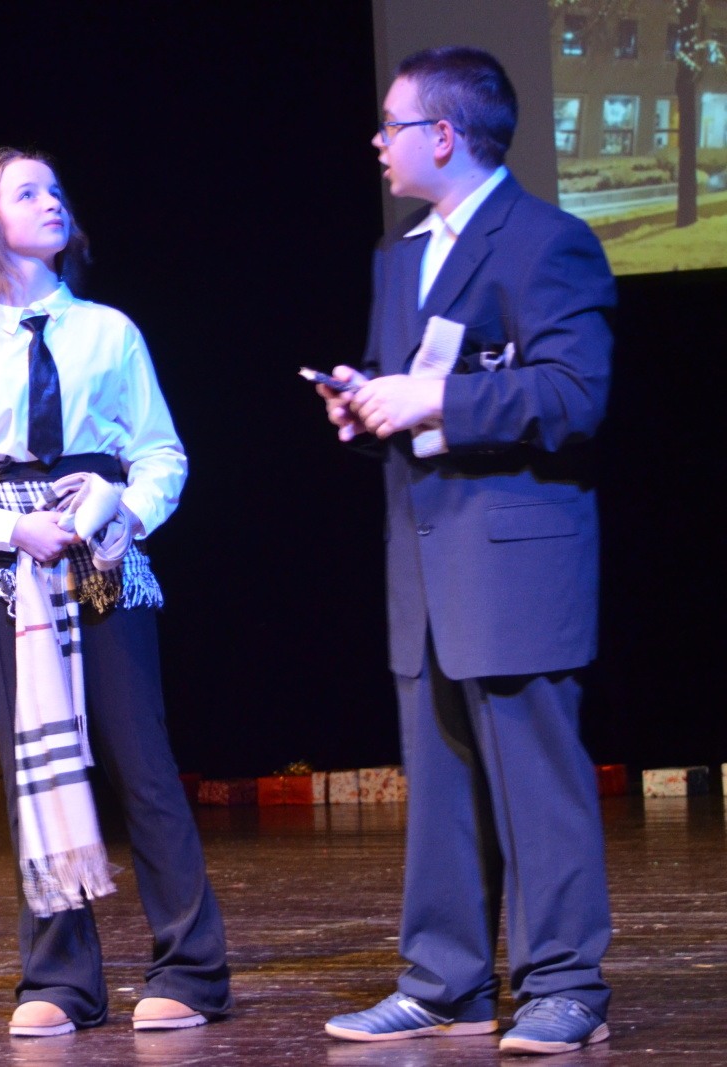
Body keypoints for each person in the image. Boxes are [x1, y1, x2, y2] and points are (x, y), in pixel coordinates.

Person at [316, 47, 615, 1056]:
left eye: (392, 125)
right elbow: (408, 396)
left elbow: (574, 395)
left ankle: (565, 984)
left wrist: (433, 396)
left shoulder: (547, 241)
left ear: (442, 136)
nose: (378, 142)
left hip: (517, 558)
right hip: (424, 558)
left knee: (538, 783)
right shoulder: (398, 256)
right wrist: (367, 406)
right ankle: (443, 980)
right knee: (439, 784)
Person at [0, 148, 232, 1038]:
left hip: (105, 557)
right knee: (34, 769)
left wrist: (123, 505)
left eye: (55, 191)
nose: (52, 202)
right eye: (28, 192)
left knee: (141, 762)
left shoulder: (108, 333)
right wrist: (13, 531)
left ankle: (191, 968)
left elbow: (161, 452)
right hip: (15, 572)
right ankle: (61, 977)